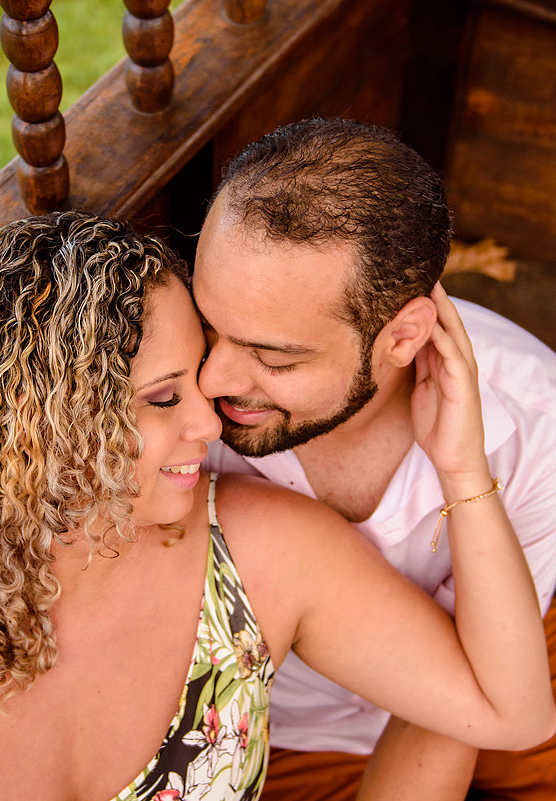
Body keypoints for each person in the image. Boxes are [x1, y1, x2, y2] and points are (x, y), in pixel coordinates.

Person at [0, 211, 553, 801]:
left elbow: (510, 710)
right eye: (165, 396)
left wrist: (460, 467)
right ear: (44, 419)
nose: (210, 420)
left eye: (196, 380)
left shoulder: (265, 551)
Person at [193, 117, 556, 801]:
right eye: (210, 324)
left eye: (273, 356)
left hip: (509, 669)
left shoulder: (535, 421)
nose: (211, 380)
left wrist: (464, 472)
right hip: (280, 731)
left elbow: (488, 696)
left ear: (403, 335)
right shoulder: (180, 413)